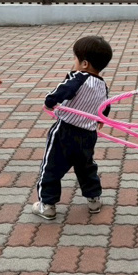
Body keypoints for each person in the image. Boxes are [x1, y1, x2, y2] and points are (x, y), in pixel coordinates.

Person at [33, 35, 113, 220]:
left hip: (65, 131)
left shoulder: (78, 77)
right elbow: (105, 104)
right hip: (88, 134)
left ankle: (47, 205)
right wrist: (102, 118)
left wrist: (49, 102)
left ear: (84, 64)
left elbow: (62, 91)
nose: (73, 63)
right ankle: (94, 199)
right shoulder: (102, 84)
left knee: (51, 167)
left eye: (75, 59)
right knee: (86, 167)